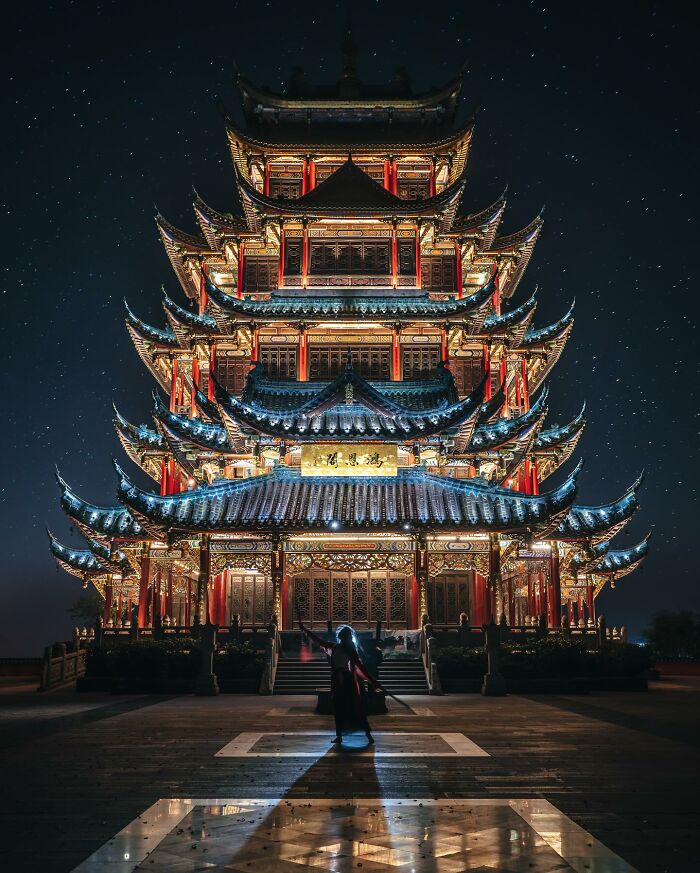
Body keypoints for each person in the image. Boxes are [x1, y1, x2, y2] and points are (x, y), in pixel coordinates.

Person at [300, 621, 377, 745]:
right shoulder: (334, 646)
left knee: (355, 707)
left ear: (344, 636)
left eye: (342, 633)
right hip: (337, 678)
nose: (339, 634)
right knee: (338, 707)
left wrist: (372, 680)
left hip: (346, 679)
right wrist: (305, 630)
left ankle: (368, 735)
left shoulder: (350, 649)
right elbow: (318, 640)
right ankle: (340, 735)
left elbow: (359, 666)